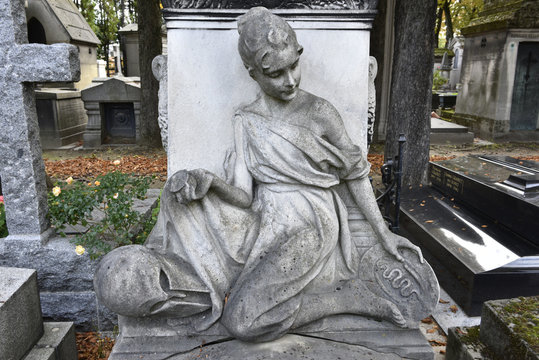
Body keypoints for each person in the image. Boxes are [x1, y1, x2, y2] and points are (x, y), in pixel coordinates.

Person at [95, 7, 426, 343]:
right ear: (253, 73)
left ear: (298, 55)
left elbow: (356, 174)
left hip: (309, 222)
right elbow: (244, 194)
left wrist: (383, 235)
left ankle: (349, 299)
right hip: (262, 218)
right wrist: (209, 182)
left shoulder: (320, 112)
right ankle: (174, 289)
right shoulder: (247, 119)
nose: (290, 80)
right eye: (275, 73)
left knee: (243, 321)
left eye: (293, 66)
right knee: (177, 194)